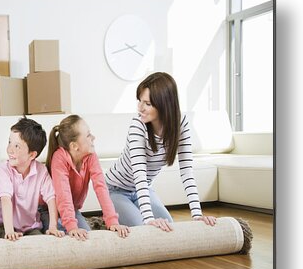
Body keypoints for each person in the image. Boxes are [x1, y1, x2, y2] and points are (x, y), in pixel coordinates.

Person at [105, 71, 216, 231]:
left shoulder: (181, 123)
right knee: (145, 229)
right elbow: (140, 175)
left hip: (143, 190)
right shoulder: (138, 125)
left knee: (168, 227)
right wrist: (149, 219)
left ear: (164, 105)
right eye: (140, 101)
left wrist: (197, 214)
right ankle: (109, 220)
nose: (140, 108)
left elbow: (187, 171)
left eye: (147, 104)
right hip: (116, 190)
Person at [45, 114, 130, 241]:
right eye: (88, 135)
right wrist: (72, 227)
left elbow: (101, 187)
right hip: (49, 211)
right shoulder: (59, 158)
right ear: (74, 146)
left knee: (88, 237)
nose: (93, 137)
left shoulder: (90, 155)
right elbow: (63, 195)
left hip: (72, 209)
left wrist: (112, 221)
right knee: (71, 238)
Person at [0, 118, 64, 241]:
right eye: (9, 142)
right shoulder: (4, 169)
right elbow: (5, 199)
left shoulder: (41, 171)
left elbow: (51, 198)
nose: (10, 149)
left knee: (41, 245)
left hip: (30, 227)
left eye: (17, 146)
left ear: (32, 155)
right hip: (4, 226)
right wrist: (10, 232)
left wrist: (53, 226)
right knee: (9, 245)